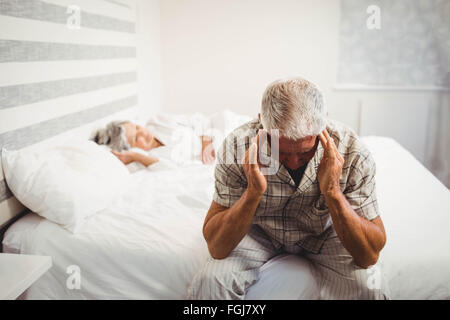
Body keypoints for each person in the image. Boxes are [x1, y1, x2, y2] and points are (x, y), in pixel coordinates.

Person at [187, 77, 390, 300]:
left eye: (304, 153)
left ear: (323, 124)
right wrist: (252, 193)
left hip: (325, 233)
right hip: (260, 231)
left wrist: (332, 191)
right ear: (260, 124)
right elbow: (217, 248)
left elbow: (369, 256)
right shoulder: (236, 146)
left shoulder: (353, 152)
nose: (293, 162)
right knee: (210, 281)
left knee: (372, 288)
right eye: (282, 151)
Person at [91, 113, 221, 167]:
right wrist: (136, 157)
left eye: (137, 127)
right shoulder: (151, 157)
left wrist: (206, 143)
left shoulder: (157, 122)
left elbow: (200, 120)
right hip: (215, 161)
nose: (142, 132)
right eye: (136, 138)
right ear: (132, 149)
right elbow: (168, 168)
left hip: (216, 135)